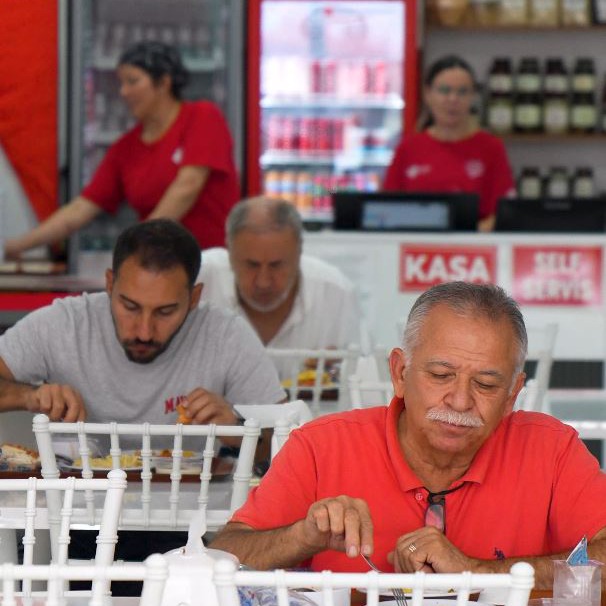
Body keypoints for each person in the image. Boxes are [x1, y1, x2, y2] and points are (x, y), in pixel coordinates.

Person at [210, 281, 606, 589]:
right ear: (400, 373)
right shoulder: (322, 446)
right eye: (441, 375)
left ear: (512, 395)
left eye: (485, 384)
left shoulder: (550, 449)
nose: (460, 401)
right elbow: (222, 557)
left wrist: (476, 571)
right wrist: (302, 536)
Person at [0, 218, 285, 431]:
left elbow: (288, 439)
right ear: (109, 284)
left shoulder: (226, 335)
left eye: (165, 311)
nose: (144, 332)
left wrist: (236, 428)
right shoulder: (65, 324)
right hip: (75, 492)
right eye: (130, 307)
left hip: (195, 494)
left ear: (194, 298)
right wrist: (30, 396)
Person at [4, 41, 240, 257]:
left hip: (214, 261)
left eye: (132, 81)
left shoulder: (202, 116)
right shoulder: (125, 148)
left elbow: (188, 186)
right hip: (162, 266)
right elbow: (81, 208)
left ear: (164, 83)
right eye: (121, 83)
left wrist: (139, 242)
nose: (123, 92)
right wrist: (16, 246)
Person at [198, 196, 368, 366]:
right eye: (252, 265)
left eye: (276, 265)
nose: (263, 282)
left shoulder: (336, 293)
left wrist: (339, 374)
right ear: (229, 252)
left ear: (299, 252)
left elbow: (367, 371)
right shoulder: (199, 279)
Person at [383, 55, 516, 232]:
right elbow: (386, 208)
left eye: (462, 92)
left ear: (473, 96)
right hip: (415, 243)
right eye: (444, 90)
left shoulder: (491, 148)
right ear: (428, 94)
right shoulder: (408, 148)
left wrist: (465, 237)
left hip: (473, 245)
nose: (453, 99)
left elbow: (503, 213)